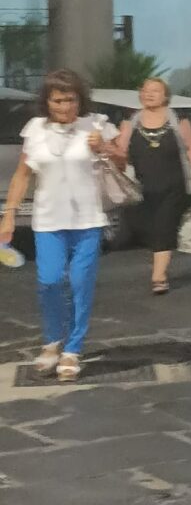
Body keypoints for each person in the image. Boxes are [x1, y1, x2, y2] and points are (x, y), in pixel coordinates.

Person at [0, 69, 123, 382]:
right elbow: (22, 175)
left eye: (71, 99)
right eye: (58, 100)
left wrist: (105, 148)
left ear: (79, 99)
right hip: (48, 219)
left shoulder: (95, 124)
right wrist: (9, 214)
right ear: (47, 102)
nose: (65, 106)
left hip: (88, 219)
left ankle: (73, 348)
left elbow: (122, 161)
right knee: (50, 280)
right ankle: (52, 341)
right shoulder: (36, 130)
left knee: (81, 282)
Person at [116, 78, 191, 295]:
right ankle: (159, 263)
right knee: (149, 229)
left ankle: (159, 276)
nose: (149, 94)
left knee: (163, 227)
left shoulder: (178, 121)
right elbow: (120, 152)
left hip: (173, 186)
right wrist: (105, 148)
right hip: (142, 188)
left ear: (165, 95)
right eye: (145, 91)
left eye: (155, 91)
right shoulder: (131, 123)